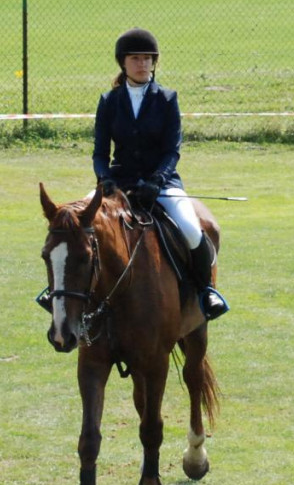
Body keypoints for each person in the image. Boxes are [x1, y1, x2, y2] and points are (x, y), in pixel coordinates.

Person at [92, 27, 229, 321]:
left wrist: (157, 180)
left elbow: (172, 150)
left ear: (154, 62)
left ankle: (206, 291)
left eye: (148, 59)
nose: (142, 64)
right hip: (120, 181)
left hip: (161, 182)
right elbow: (100, 153)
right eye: (136, 58)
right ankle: (67, 292)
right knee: (79, 221)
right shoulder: (109, 101)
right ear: (123, 62)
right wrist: (105, 179)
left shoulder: (167, 99)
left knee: (192, 229)